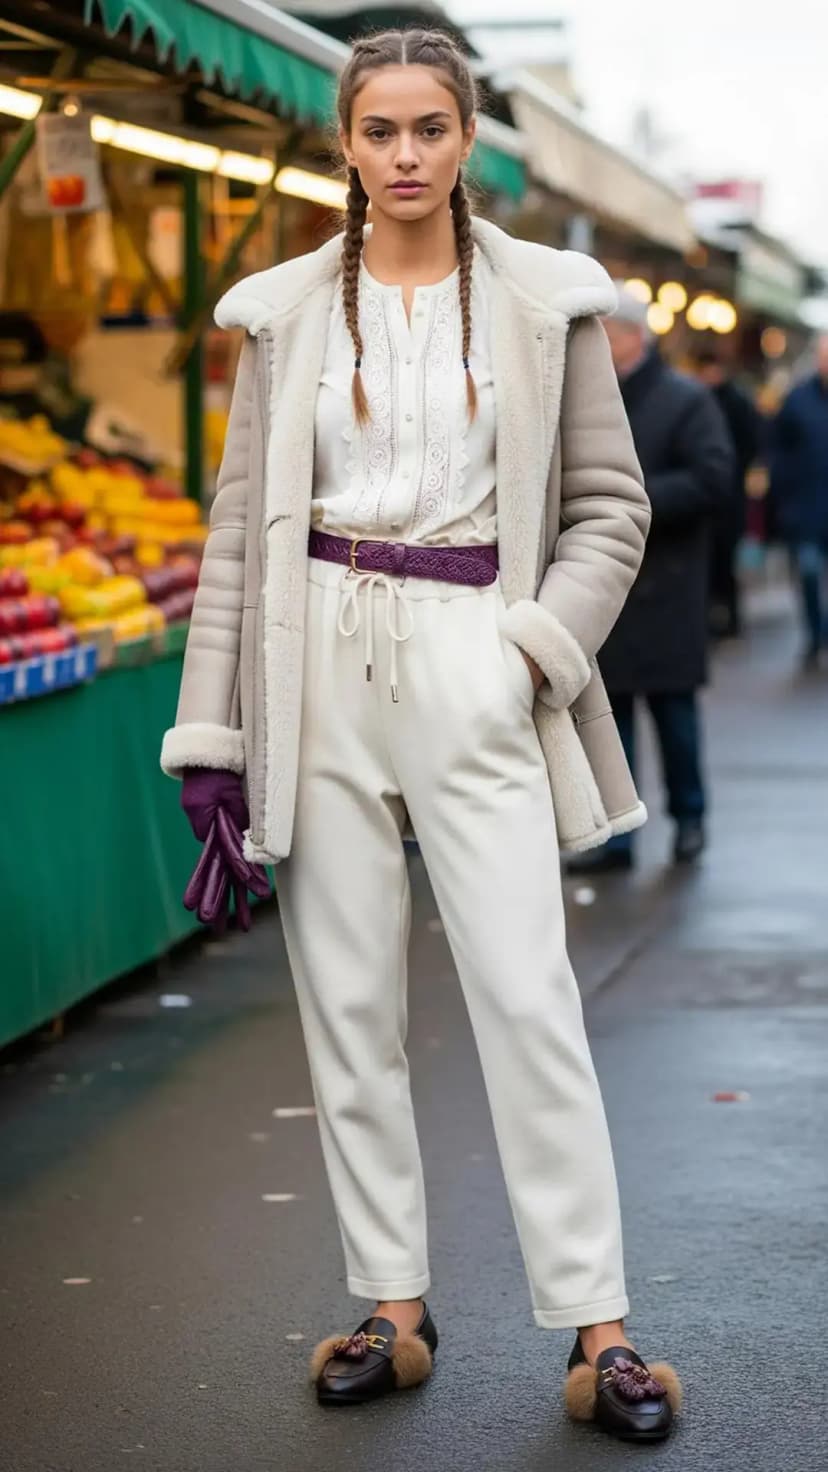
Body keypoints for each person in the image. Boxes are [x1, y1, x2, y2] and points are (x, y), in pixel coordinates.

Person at [160, 30, 681, 1442]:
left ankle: (602, 1327)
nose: (403, 156)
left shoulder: (543, 300)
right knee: (345, 1003)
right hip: (313, 658)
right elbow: (234, 537)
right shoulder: (282, 318)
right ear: (346, 143)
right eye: (379, 130)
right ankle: (390, 1308)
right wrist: (212, 724)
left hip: (475, 654)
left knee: (526, 995)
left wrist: (528, 653)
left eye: (429, 130)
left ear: (465, 141)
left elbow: (610, 508)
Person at [569, 291, 734, 873]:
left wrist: (631, 505)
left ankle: (690, 819)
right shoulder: (587, 397)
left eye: (606, 335)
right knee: (607, 721)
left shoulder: (687, 402)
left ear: (634, 336)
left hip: (666, 588)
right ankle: (617, 835)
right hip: (607, 590)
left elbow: (715, 481)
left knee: (675, 717)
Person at [690, 348, 761, 639]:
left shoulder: (735, 402)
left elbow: (750, 443)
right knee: (709, 563)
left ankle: (731, 619)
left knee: (726, 562)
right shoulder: (697, 401)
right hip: (707, 500)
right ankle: (712, 619)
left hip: (730, 498)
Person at [769, 334, 828, 668]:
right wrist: (784, 501)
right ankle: (814, 635)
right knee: (807, 573)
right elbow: (778, 452)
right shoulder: (797, 400)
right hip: (806, 510)